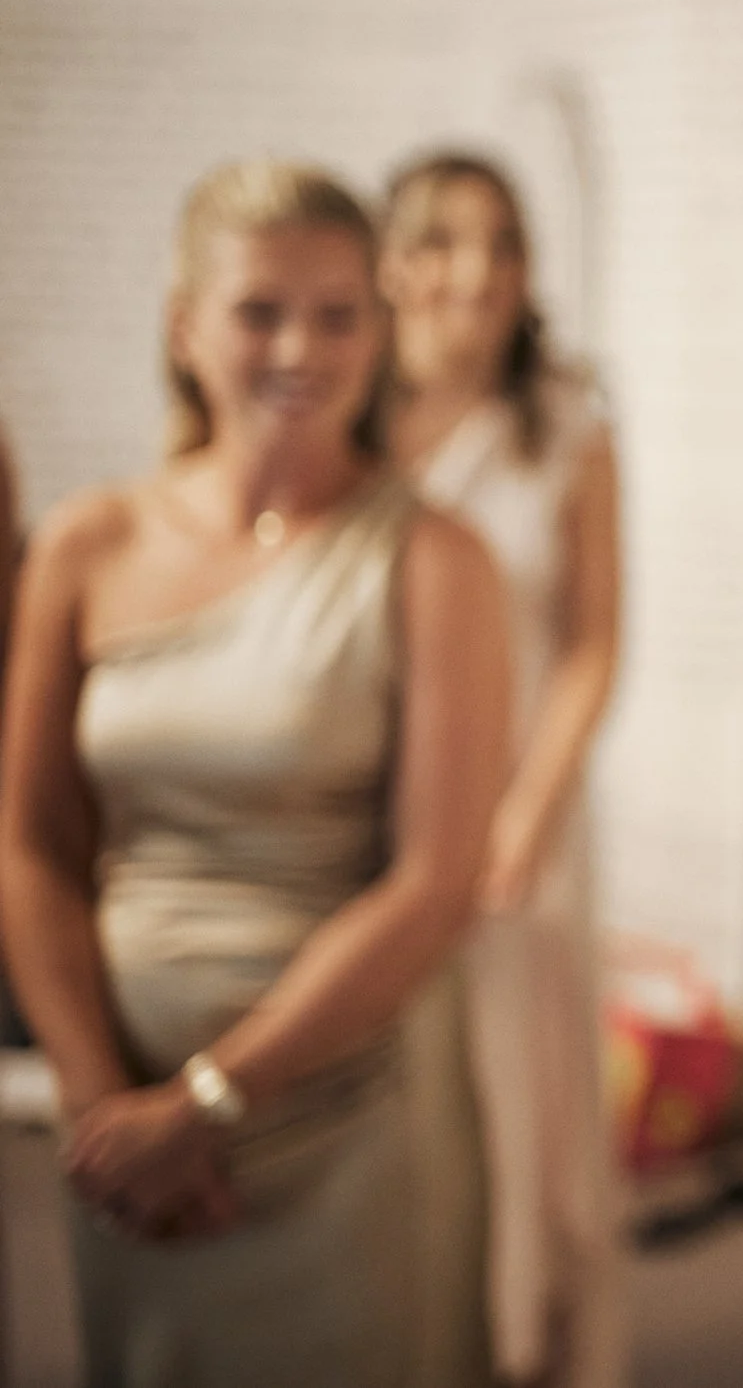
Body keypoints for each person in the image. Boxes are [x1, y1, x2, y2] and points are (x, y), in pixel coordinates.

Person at [0, 159, 510, 1387]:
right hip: (121, 1111)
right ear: (185, 327)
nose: (300, 348)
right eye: (260, 310)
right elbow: (32, 842)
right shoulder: (85, 542)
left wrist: (204, 1103)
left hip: (344, 1104)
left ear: (378, 333)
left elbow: (435, 882)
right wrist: (99, 1103)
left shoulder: (436, 558)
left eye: (338, 315)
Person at [379, 152, 625, 1388]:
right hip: (380, 805)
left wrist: (525, 810)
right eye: (442, 240)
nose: (474, 271)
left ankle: (539, 1347)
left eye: (501, 243)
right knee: (400, 1099)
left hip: (525, 804)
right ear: (389, 259)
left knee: (532, 1104)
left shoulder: (568, 425)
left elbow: (593, 642)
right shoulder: (347, 420)